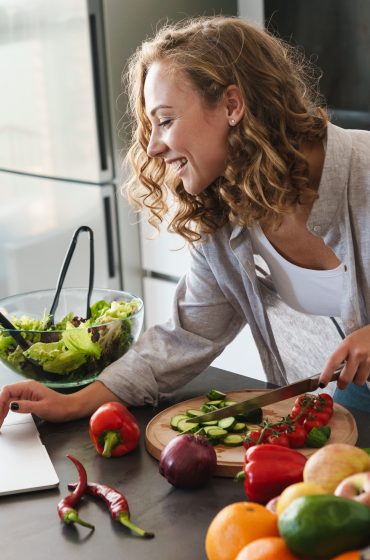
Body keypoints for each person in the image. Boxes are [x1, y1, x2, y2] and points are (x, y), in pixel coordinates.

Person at [1, 15, 370, 426]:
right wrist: (75, 400)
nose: (154, 146)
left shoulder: (365, 170)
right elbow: (186, 335)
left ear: (232, 105)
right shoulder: (228, 215)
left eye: (166, 120)